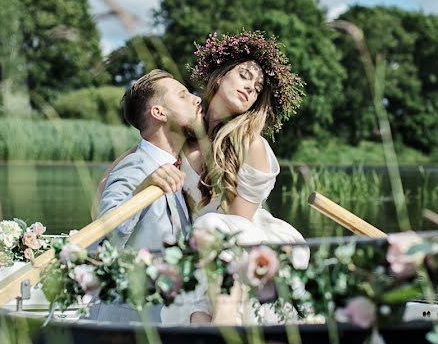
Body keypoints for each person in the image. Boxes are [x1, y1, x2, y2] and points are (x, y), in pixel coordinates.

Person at [181, 31, 307, 324]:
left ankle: (225, 323)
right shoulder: (182, 135)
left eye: (258, 87)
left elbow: (238, 222)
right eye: (244, 76)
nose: (251, 87)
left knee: (211, 226)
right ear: (221, 76)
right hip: (199, 243)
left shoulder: (251, 145)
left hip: (246, 243)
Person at [95, 69, 211, 324]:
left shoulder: (178, 169)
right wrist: (142, 189)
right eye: (183, 95)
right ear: (159, 112)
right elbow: (106, 237)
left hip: (171, 318)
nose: (196, 98)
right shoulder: (136, 166)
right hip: (132, 325)